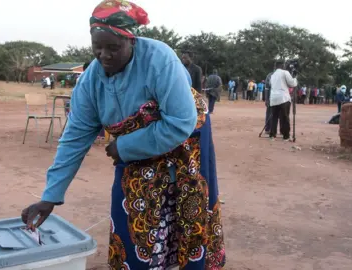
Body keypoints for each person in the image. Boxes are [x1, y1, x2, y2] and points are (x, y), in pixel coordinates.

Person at [20, 1, 226, 269]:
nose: (104, 55)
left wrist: (125, 146)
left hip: (185, 142)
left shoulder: (159, 59)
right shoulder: (89, 83)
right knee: (133, 215)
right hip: (133, 151)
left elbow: (180, 121)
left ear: (132, 41)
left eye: (113, 48)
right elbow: (74, 139)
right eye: (98, 48)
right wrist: (50, 197)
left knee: (186, 212)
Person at [269, 61, 297, 141]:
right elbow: (292, 84)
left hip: (274, 98)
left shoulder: (273, 75)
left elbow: (272, 85)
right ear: (283, 66)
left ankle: (272, 135)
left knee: (274, 117)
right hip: (283, 98)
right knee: (285, 117)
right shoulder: (285, 72)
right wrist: (295, 77)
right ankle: (286, 136)